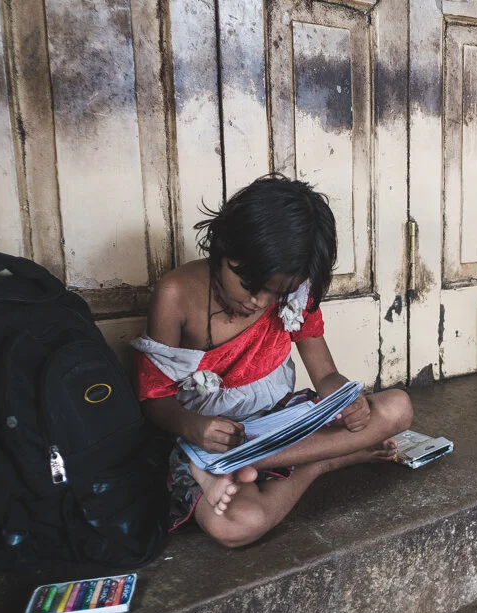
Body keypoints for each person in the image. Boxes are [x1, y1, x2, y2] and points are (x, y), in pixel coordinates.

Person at [131, 174, 414, 548]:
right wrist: (195, 427)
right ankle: (324, 459)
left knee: (398, 408)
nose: (261, 303)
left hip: (278, 422)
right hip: (211, 438)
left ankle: (277, 463)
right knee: (236, 525)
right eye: (251, 286)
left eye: (276, 292)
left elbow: (325, 373)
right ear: (225, 246)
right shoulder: (175, 295)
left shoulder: (294, 292)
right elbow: (154, 399)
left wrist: (348, 401)